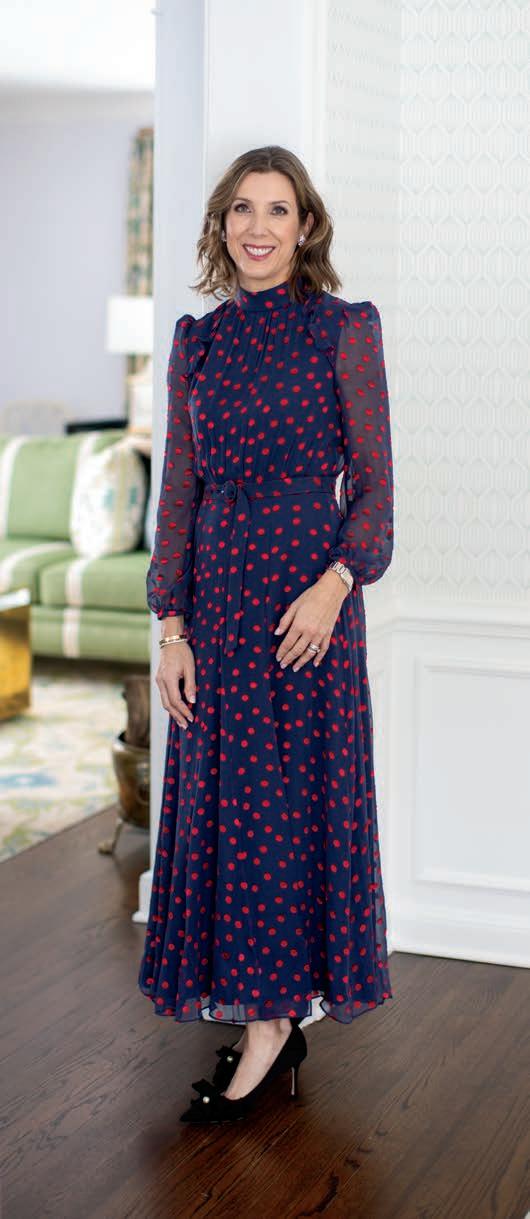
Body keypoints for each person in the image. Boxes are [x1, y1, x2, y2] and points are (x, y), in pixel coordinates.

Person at [138, 144, 395, 1124]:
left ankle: (272, 1024)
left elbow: (374, 486)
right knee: (231, 816)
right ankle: (267, 1015)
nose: (257, 227)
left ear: (305, 225)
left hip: (305, 614)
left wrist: (336, 585)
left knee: (290, 814)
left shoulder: (342, 330)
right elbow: (179, 494)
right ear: (221, 225)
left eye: (277, 210)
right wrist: (170, 626)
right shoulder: (197, 343)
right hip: (215, 613)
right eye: (241, 209)